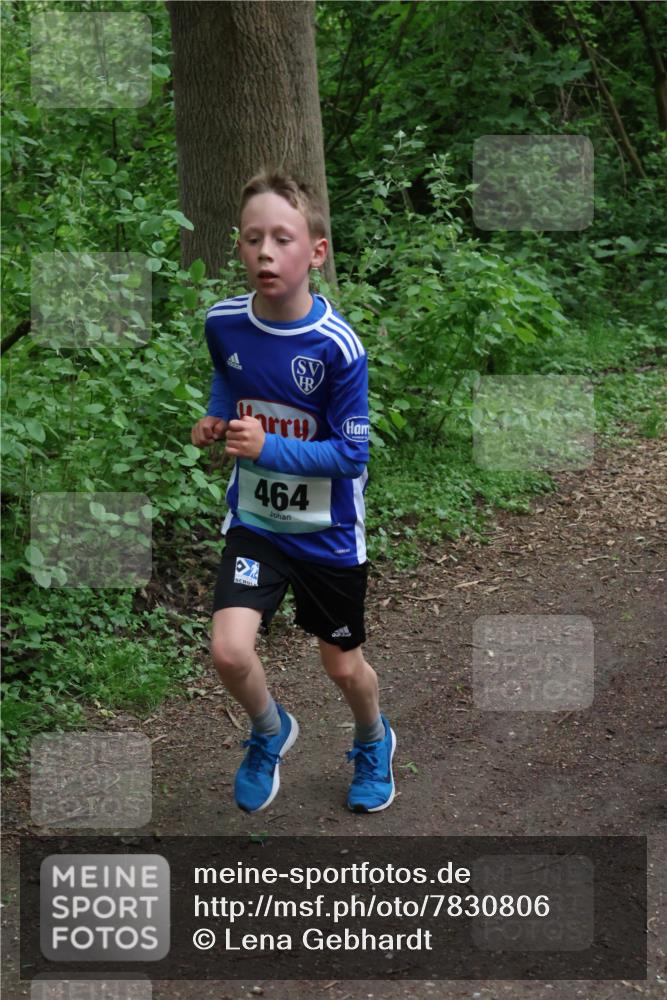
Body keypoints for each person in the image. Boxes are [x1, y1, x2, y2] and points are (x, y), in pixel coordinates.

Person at [190, 169, 395, 815]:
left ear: (315, 251)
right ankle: (269, 730)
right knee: (228, 650)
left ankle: (371, 740)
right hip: (256, 521)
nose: (265, 253)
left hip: (327, 533)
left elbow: (350, 454)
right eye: (253, 239)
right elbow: (230, 383)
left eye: (282, 238)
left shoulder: (338, 347)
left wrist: (268, 447)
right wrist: (216, 419)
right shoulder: (223, 323)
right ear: (240, 248)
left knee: (341, 667)